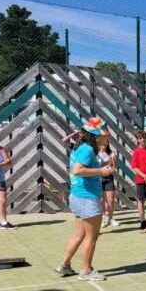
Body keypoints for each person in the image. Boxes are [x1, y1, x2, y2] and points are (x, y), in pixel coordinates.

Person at [56, 118, 112, 281]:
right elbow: (77, 170)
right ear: (96, 136)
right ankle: (86, 270)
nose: (106, 137)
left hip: (77, 196)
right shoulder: (87, 149)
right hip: (87, 198)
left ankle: (65, 265)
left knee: (79, 234)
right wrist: (101, 171)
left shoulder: (81, 148)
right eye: (104, 135)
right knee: (91, 236)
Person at [130, 130, 146, 230]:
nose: (143, 139)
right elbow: (134, 167)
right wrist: (144, 175)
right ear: (138, 140)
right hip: (140, 180)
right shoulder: (136, 152)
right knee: (141, 200)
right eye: (140, 138)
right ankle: (143, 220)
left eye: (144, 137)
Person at [98, 141, 119, 227]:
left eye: (106, 142)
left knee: (110, 200)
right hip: (99, 178)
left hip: (109, 178)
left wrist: (113, 159)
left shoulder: (110, 153)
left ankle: (111, 218)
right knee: (101, 200)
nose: (105, 144)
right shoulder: (96, 154)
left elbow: (115, 167)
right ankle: (103, 218)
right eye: (103, 142)